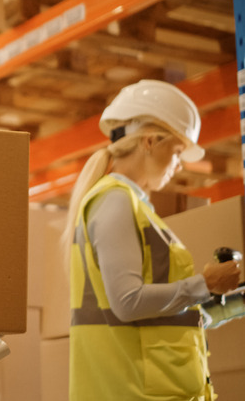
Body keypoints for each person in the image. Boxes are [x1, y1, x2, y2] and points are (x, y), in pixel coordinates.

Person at [65, 79, 245, 401]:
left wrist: (234, 303)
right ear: (149, 141)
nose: (179, 166)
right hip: (133, 392)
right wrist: (206, 283)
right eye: (177, 153)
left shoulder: (132, 206)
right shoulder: (116, 201)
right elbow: (128, 302)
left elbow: (160, 314)